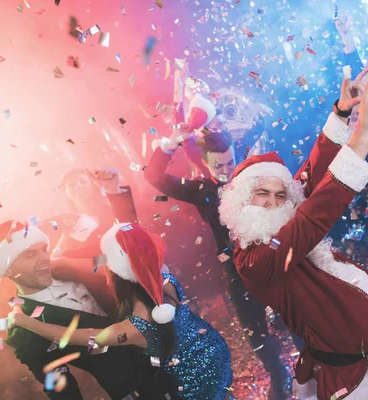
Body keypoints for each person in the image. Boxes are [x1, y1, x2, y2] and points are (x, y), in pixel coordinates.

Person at [219, 67, 368, 399]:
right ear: (241, 200)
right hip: (346, 365)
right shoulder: (253, 259)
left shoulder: (284, 218)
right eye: (261, 194)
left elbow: (310, 178)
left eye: (280, 195)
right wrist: (363, 133)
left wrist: (342, 112)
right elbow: (310, 220)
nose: (272, 203)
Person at [145, 95, 294, 398]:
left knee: (295, 317)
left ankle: (313, 365)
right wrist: (173, 141)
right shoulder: (202, 190)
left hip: (273, 264)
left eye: (230, 162)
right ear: (204, 162)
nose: (226, 170)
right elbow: (153, 178)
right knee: (257, 333)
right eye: (218, 165)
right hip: (238, 274)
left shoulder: (253, 178)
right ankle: (279, 378)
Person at [8, 222, 233, 400]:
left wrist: (25, 321)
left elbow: (72, 336)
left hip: (190, 383)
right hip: (213, 353)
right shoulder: (164, 278)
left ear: (114, 276)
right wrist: (66, 260)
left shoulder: (133, 328)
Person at [0, 220, 178, 399]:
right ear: (8, 269)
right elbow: (60, 388)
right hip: (141, 392)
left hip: (180, 356)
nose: (44, 258)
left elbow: (130, 258)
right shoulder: (23, 330)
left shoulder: (70, 265)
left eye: (43, 249)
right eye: (30, 254)